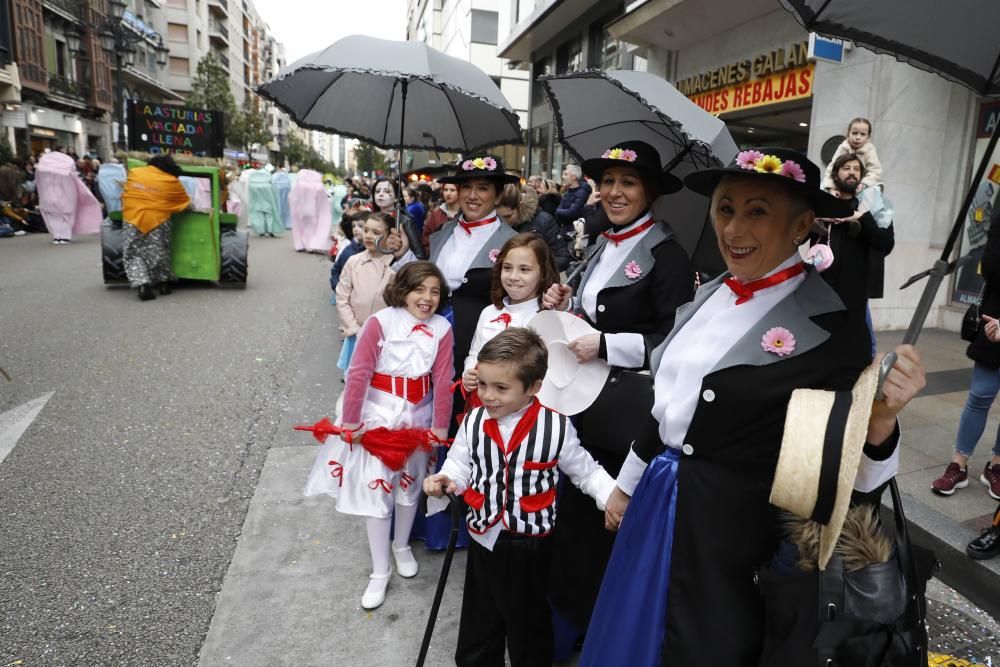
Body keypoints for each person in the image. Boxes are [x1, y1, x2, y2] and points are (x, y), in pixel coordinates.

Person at [579, 147, 926, 665]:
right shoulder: (707, 295)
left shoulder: (832, 326)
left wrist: (880, 422)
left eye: (757, 211)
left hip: (739, 542)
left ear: (802, 224)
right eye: (725, 209)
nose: (733, 229)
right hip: (658, 505)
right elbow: (667, 410)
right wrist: (627, 487)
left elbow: (841, 480)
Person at [540, 140, 695, 651]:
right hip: (581, 405)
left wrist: (608, 343)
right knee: (575, 523)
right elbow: (595, 308)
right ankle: (566, 626)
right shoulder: (603, 241)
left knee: (605, 526)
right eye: (607, 182)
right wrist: (567, 298)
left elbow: (675, 345)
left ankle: (599, 635)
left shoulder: (668, 254)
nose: (614, 191)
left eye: (627, 183)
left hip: (624, 418)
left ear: (649, 190)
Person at [424, 327, 616, 667]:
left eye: (501, 388)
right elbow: (459, 464)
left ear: (533, 388)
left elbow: (585, 472)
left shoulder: (556, 427)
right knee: (480, 621)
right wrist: (446, 479)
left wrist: (612, 497)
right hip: (484, 535)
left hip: (530, 544)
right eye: (483, 385)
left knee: (528, 626)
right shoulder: (472, 422)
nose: (488, 396)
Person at [303, 261, 454, 610]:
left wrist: (440, 426)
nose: (427, 298)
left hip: (420, 417)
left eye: (434, 291)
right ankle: (379, 570)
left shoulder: (442, 328)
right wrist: (353, 423)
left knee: (409, 487)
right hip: (379, 416)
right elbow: (359, 372)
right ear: (403, 289)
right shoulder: (380, 322)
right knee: (378, 491)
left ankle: (401, 545)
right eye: (420, 289)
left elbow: (444, 379)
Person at [933, 208, 1000, 499]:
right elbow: (992, 265)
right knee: (980, 395)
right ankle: (958, 465)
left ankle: (996, 466)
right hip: (994, 324)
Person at [461, 233, 560, 395]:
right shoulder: (489, 312)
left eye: (524, 270)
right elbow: (474, 354)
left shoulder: (546, 317)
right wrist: (469, 372)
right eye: (507, 268)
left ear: (543, 274)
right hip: (483, 400)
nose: (513, 277)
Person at [121, 155, 191, 301]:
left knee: (133, 254)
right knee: (159, 251)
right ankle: (164, 284)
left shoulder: (135, 173)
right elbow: (183, 202)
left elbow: (127, 193)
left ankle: (143, 284)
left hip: (132, 218)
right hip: (158, 220)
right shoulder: (171, 181)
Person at [335, 212, 398, 373]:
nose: (369, 236)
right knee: (355, 380)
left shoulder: (395, 264)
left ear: (390, 236)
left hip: (385, 337)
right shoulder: (353, 261)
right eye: (366, 230)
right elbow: (342, 297)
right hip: (356, 334)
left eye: (376, 233)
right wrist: (355, 330)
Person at [495, 184, 571, 272]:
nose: (504, 222)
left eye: (508, 216)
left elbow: (562, 256)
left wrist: (538, 271)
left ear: (520, 207)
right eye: (499, 217)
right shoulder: (491, 224)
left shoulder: (544, 221)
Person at [35, 150, 103, 244]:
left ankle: (57, 236)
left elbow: (39, 185)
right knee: (66, 217)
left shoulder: (43, 173)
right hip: (64, 198)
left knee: (54, 217)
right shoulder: (66, 175)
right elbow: (72, 187)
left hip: (47, 197)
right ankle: (65, 237)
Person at [822, 117, 883, 191]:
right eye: (854, 133)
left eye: (863, 134)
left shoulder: (869, 150)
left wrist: (864, 183)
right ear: (848, 133)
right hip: (842, 186)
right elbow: (831, 169)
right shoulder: (843, 148)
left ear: (868, 137)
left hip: (862, 187)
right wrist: (831, 188)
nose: (858, 137)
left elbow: (875, 170)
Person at [372, 177, 424, 259]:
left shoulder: (405, 221)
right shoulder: (370, 218)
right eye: (377, 191)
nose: (380, 194)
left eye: (387, 191)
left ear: (396, 197)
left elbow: (419, 255)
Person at [288, 169, 332, 253]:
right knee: (312, 228)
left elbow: (292, 197)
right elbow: (323, 201)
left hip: (300, 209)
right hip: (314, 211)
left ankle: (301, 244)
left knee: (300, 228)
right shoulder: (319, 186)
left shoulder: (300, 184)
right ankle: (311, 244)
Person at [330, 212, 366, 292]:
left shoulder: (372, 252)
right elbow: (336, 269)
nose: (356, 229)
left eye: (360, 226)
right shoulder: (348, 250)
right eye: (353, 226)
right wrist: (337, 286)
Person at [422, 182, 460, 254]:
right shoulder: (436, 214)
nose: (448, 193)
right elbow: (426, 238)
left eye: (452, 190)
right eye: (445, 190)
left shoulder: (465, 213)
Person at [554, 164, 591, 234]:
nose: (562, 177)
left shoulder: (582, 192)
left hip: (574, 234)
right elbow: (560, 211)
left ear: (573, 177)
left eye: (566, 174)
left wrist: (559, 212)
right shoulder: (568, 192)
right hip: (566, 232)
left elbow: (572, 213)